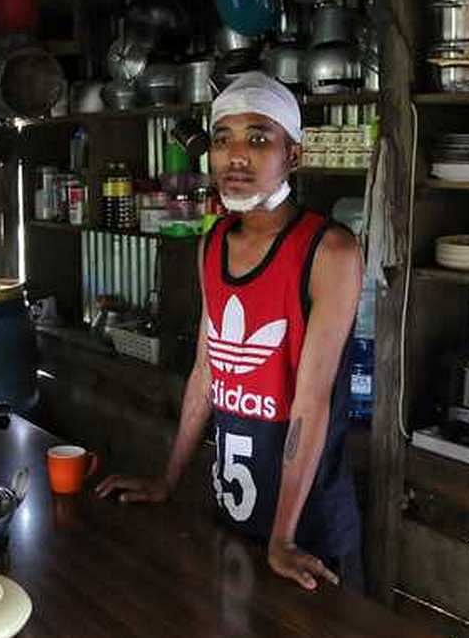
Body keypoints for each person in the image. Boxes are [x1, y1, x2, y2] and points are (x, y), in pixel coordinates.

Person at [96, 72, 364, 592]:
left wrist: (282, 539)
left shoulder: (330, 251)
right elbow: (206, 371)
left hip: (306, 534)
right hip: (232, 513)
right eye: (223, 140)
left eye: (259, 138)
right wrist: (167, 480)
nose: (235, 156)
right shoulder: (213, 241)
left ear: (294, 155)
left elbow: (310, 402)